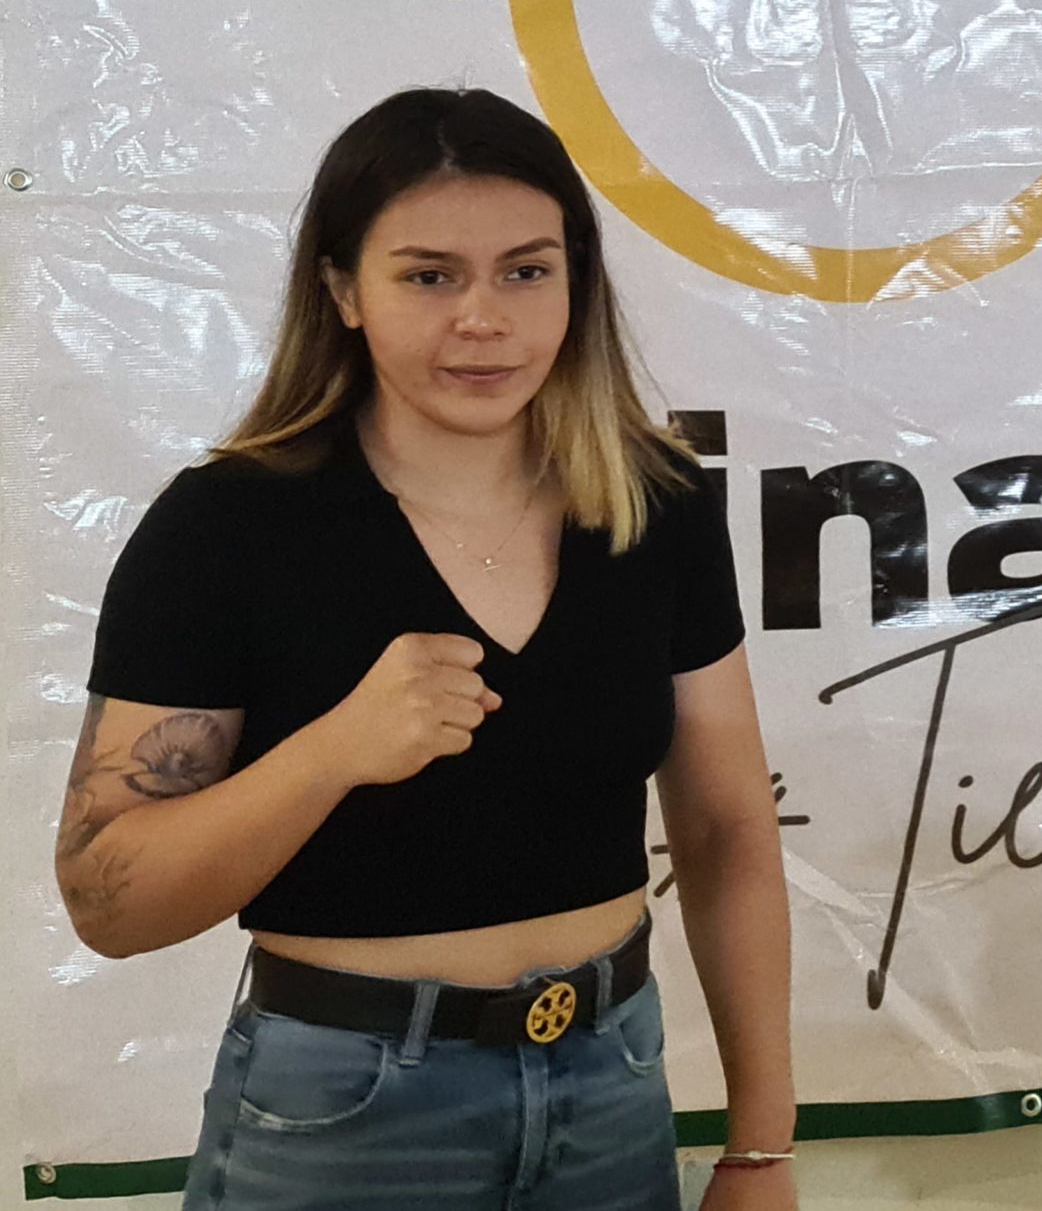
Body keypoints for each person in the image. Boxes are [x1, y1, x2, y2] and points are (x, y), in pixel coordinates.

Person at [52, 86, 799, 1209]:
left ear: (577, 281)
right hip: (347, 1116)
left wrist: (761, 1145)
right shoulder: (228, 527)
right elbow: (109, 903)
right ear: (344, 290)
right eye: (429, 276)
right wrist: (329, 754)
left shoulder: (655, 503)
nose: (484, 319)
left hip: (611, 1092)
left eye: (526, 271)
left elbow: (728, 828)